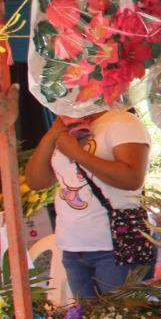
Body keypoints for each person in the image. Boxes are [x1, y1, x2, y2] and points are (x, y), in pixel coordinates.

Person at [24, 104, 152, 299]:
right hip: (72, 246)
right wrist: (52, 134)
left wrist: (76, 153)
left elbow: (131, 179)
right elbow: (36, 182)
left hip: (115, 244)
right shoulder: (66, 127)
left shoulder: (122, 121)